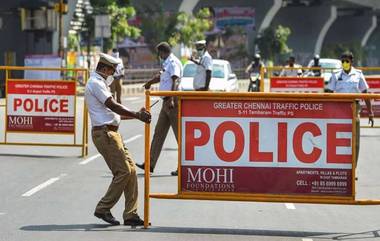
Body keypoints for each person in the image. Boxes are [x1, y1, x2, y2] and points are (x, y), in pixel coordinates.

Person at [85, 53, 151, 226]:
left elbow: (113, 114)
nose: (112, 75)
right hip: (105, 134)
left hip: (112, 133)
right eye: (111, 71)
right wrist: (137, 114)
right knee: (123, 172)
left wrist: (137, 115)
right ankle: (103, 208)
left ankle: (130, 214)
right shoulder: (95, 83)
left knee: (132, 171)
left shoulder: (101, 83)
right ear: (105, 68)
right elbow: (113, 106)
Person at [136, 42, 183, 176]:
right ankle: (150, 164)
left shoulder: (173, 62)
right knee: (159, 133)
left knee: (179, 136)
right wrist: (149, 83)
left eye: (159, 53)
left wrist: (173, 99)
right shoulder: (167, 63)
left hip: (172, 102)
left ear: (163, 52)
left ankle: (183, 166)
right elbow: (161, 77)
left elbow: (175, 80)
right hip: (166, 102)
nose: (159, 56)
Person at [325, 51, 374, 166]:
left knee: (355, 141)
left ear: (352, 61)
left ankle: (353, 168)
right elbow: (328, 93)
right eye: (343, 61)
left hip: (354, 108)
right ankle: (339, 167)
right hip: (338, 108)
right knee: (337, 138)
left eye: (347, 61)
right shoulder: (336, 74)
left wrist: (370, 112)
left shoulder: (358, 74)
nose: (344, 63)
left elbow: (365, 93)